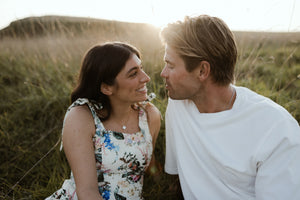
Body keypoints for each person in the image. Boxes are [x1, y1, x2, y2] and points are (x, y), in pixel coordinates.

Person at [160, 15, 300, 200]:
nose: (163, 73)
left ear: (202, 71)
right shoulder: (178, 104)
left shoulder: (277, 128)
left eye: (170, 65)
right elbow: (179, 177)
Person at [46, 42, 161, 200]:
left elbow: (148, 167)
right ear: (107, 88)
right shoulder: (82, 116)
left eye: (141, 68)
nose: (146, 78)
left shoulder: (149, 115)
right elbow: (87, 192)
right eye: (133, 73)